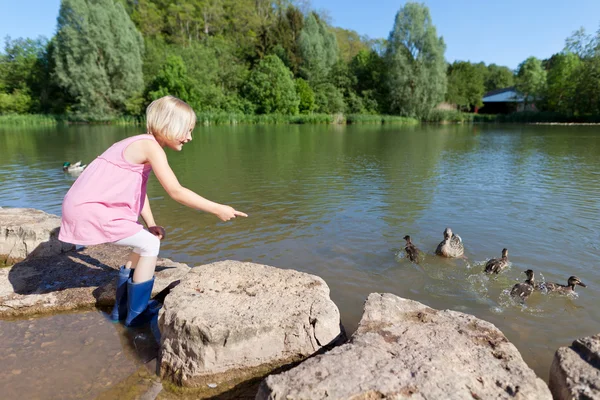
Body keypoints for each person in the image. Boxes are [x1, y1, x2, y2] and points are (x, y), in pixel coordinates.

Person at [59, 95, 247, 338]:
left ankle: (121, 310)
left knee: (143, 239)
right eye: (187, 130)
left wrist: (151, 223)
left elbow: (139, 190)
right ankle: (137, 315)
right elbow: (176, 191)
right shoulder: (149, 146)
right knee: (149, 245)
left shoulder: (141, 144)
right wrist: (217, 208)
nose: (189, 137)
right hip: (89, 208)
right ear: (167, 124)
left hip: (85, 205)